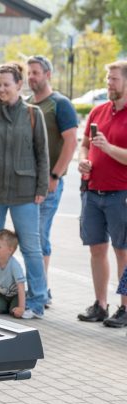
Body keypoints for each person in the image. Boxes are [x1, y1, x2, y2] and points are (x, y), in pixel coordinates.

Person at [0, 62, 49, 319]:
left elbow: (42, 155)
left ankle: (37, 302)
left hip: (26, 192)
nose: (1, 89)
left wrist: (41, 187)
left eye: (6, 84)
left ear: (18, 85)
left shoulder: (34, 115)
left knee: (31, 247)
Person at [77, 60, 127, 327]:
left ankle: (125, 307)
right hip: (92, 192)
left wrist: (108, 149)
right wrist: (83, 160)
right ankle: (100, 304)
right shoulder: (98, 111)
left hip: (121, 194)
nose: (109, 84)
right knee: (97, 249)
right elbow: (84, 145)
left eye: (114, 79)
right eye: (108, 79)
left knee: (123, 252)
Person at [27, 55, 78, 307]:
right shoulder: (26, 103)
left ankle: (42, 291)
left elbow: (71, 142)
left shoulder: (60, 104)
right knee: (29, 237)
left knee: (39, 237)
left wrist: (55, 175)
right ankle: (36, 288)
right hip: (26, 184)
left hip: (48, 184)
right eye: (29, 72)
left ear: (48, 74)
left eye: (35, 72)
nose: (31, 77)